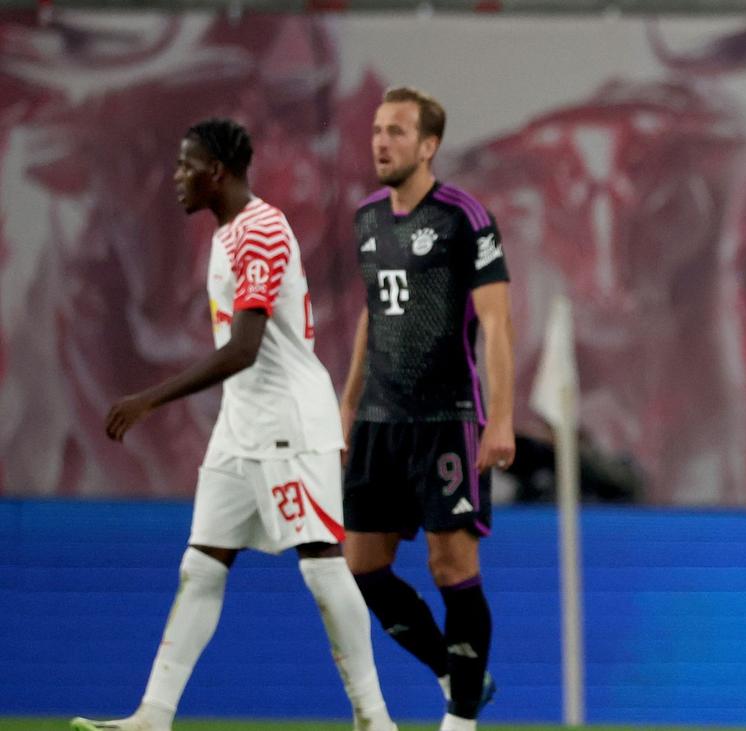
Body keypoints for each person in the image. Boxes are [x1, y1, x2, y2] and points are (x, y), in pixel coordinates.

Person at [72, 119, 396, 731]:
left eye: (185, 165)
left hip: (287, 422)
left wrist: (151, 399)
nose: (176, 177)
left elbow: (245, 348)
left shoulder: (262, 230)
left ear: (216, 171)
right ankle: (153, 715)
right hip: (241, 423)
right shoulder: (226, 235)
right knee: (200, 566)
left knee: (322, 567)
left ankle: (375, 719)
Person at [339, 86, 514, 731]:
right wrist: (347, 402)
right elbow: (371, 316)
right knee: (362, 567)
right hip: (379, 421)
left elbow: (496, 324)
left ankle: (460, 719)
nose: (381, 142)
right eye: (377, 130)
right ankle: (457, 674)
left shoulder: (464, 217)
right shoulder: (366, 220)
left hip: (447, 419)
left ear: (429, 145)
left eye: (397, 132)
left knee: (451, 566)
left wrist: (501, 418)